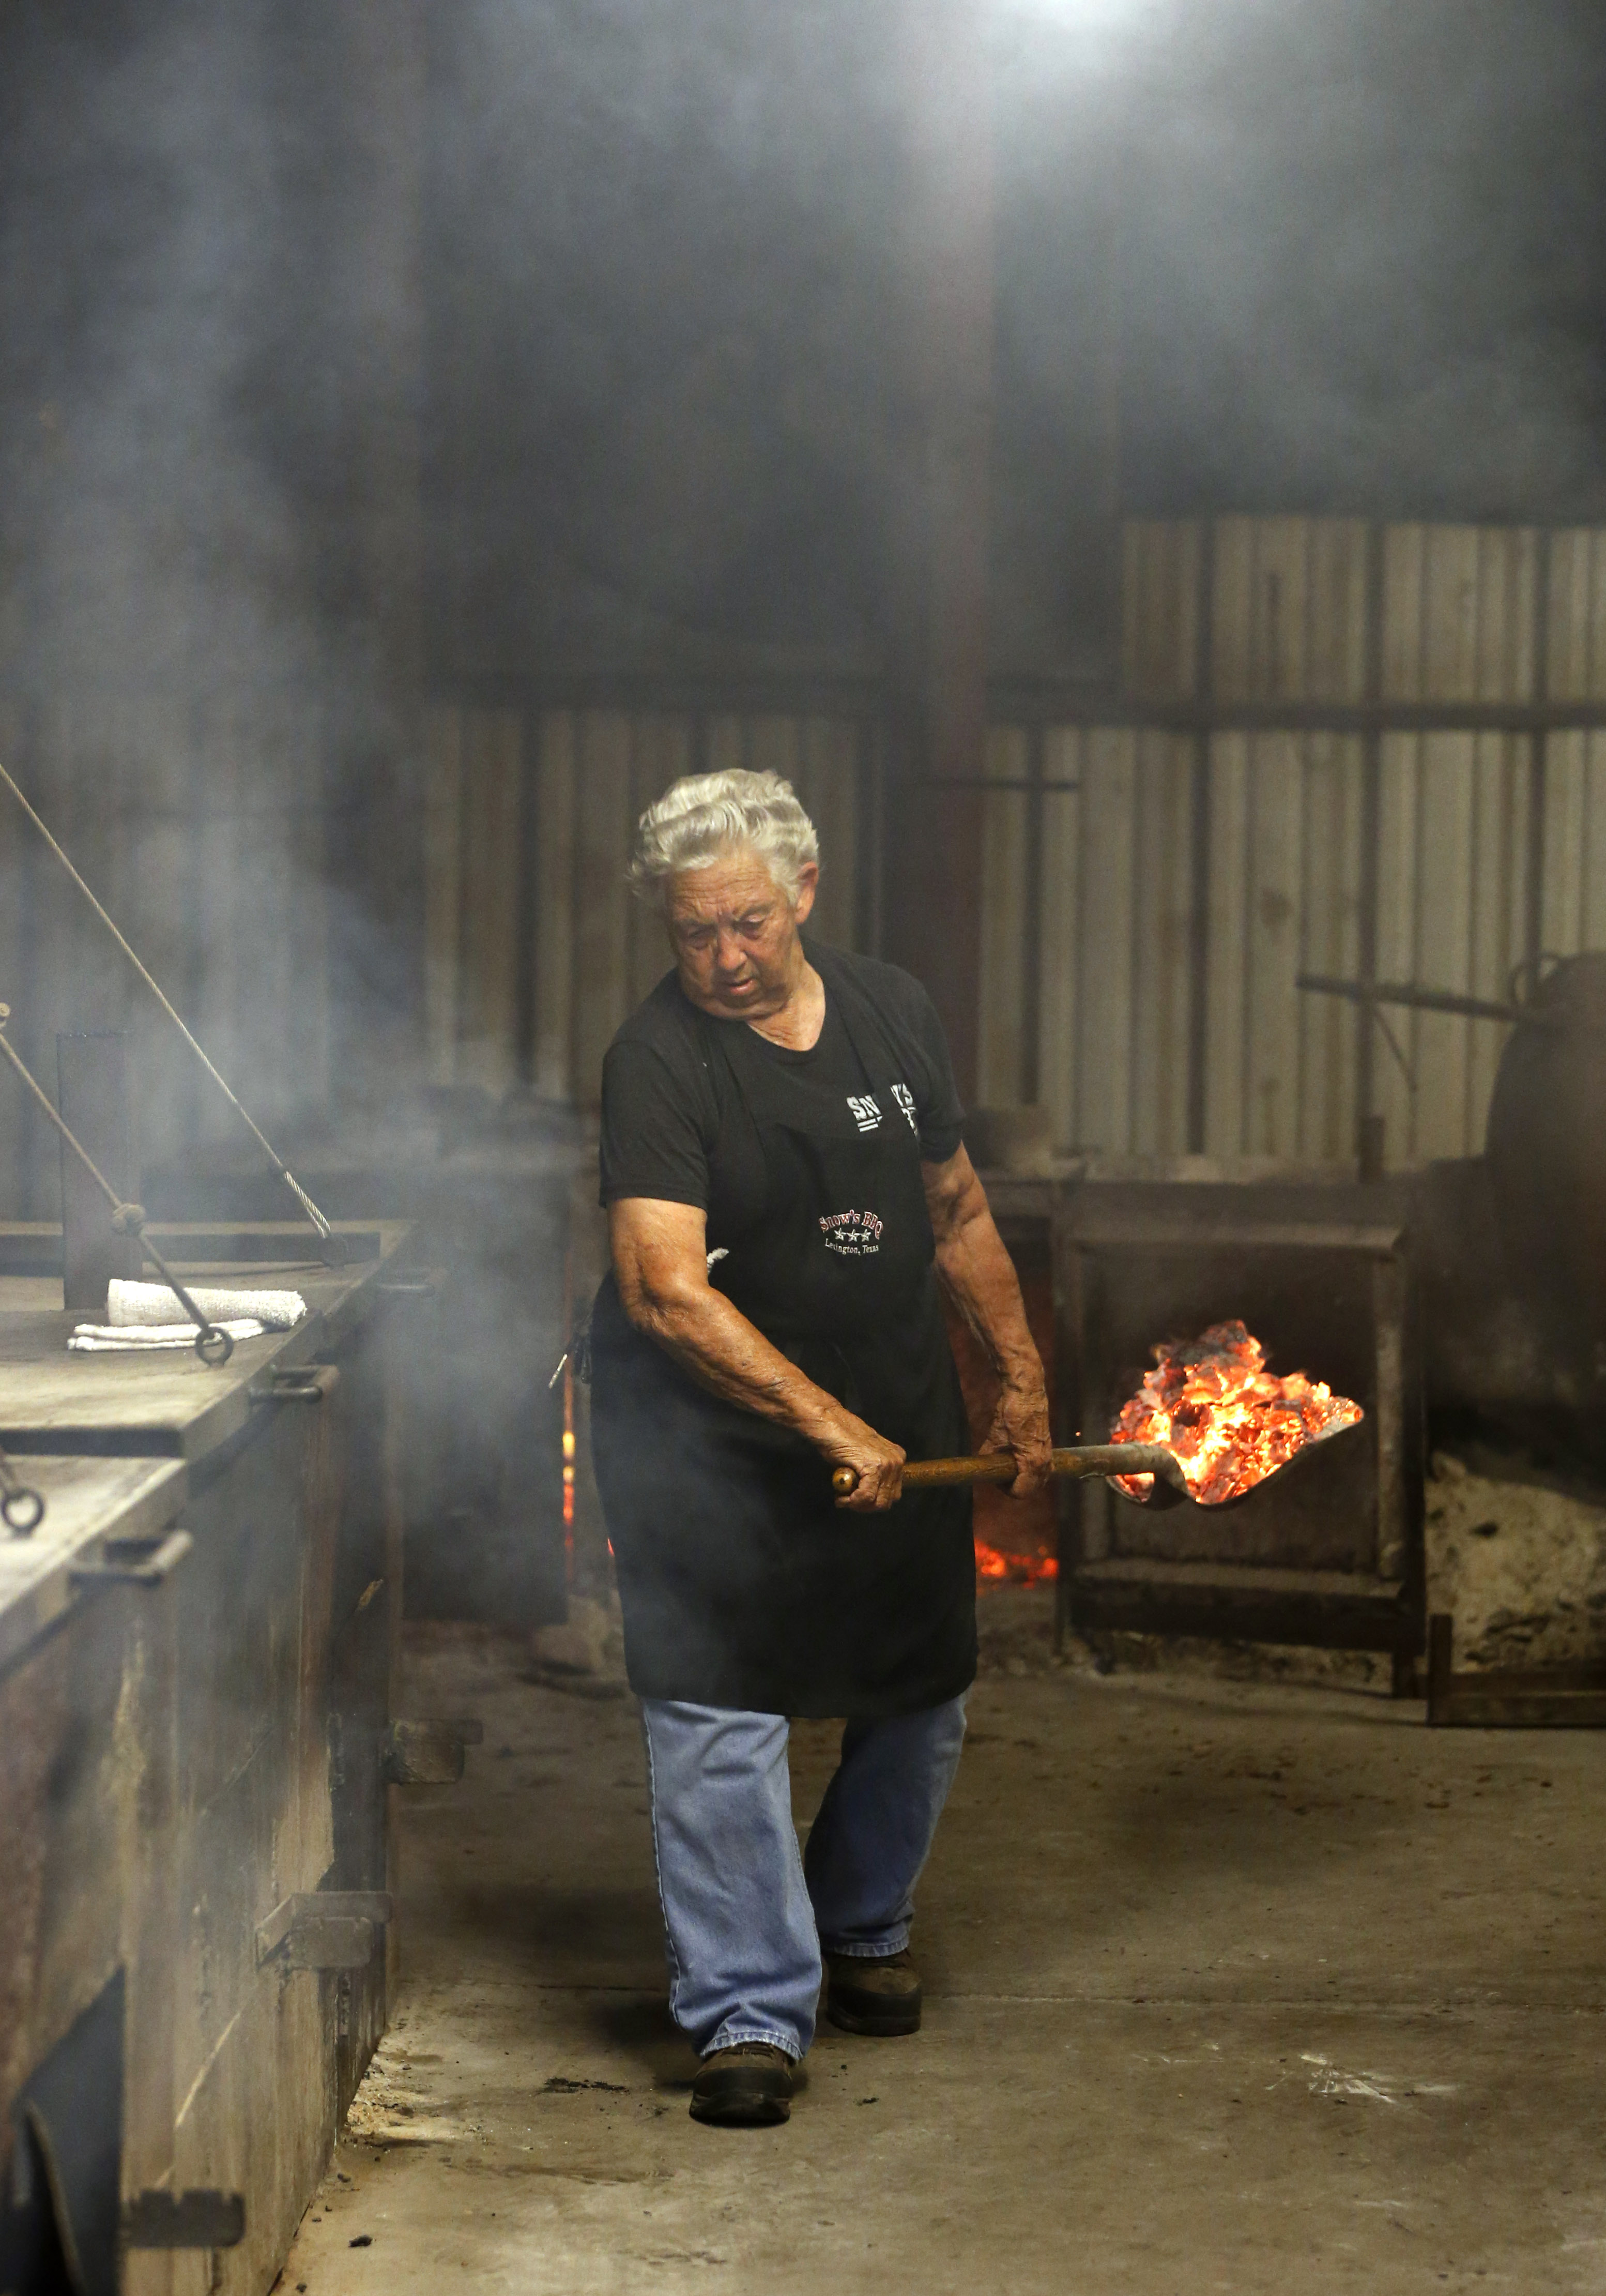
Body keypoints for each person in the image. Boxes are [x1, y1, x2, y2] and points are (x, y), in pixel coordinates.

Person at [588, 769, 1051, 2128]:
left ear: (802, 889)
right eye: (693, 933)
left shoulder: (892, 1011)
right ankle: (747, 2004)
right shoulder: (656, 1061)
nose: (724, 958)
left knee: (920, 1683)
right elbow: (664, 1290)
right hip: (707, 1445)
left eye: (747, 923)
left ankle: (860, 1919)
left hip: (896, 1404)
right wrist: (827, 1424)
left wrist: (1020, 1378)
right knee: (717, 1703)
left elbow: (955, 1211)